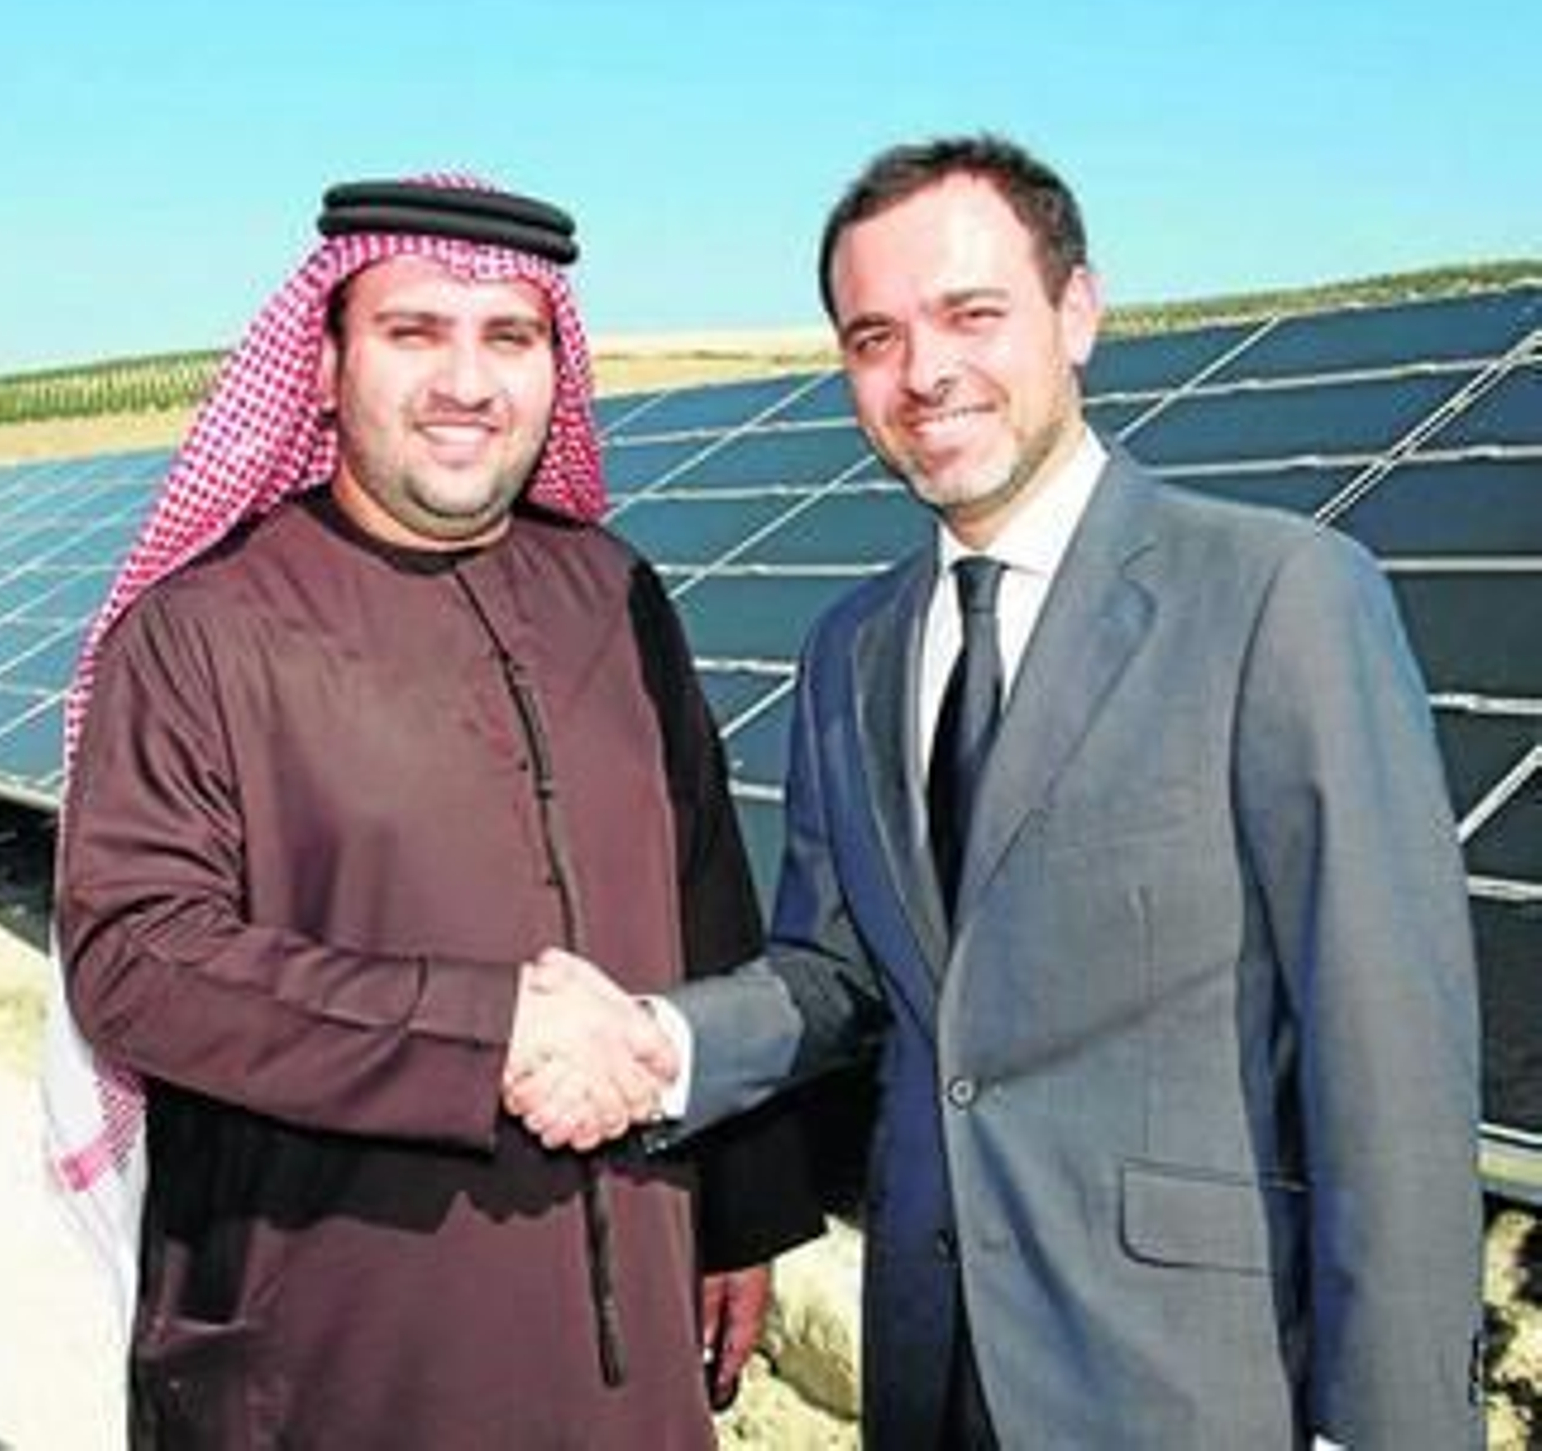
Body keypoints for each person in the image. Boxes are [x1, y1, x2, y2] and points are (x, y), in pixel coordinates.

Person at [504, 136, 1487, 1448]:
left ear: (1078, 312)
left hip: (1194, 1385)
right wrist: (658, 1045)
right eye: (873, 336)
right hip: (932, 1369)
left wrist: (1398, 1429)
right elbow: (839, 972)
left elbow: (1392, 1055)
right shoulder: (851, 648)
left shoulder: (1277, 598)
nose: (925, 373)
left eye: (972, 313)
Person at [49, 173, 821, 1448]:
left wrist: (740, 1212)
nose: (467, 381)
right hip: (332, 1356)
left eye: (508, 336)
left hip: (628, 1353)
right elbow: (135, 959)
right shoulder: (199, 631)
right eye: (415, 332)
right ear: (326, 362)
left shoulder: (616, 591)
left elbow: (705, 897)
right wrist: (487, 1028)